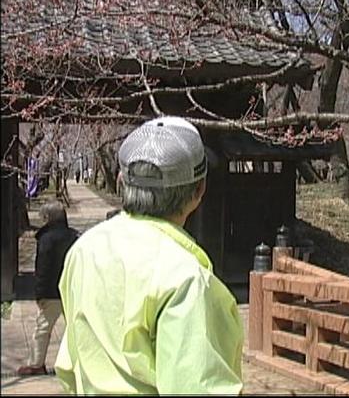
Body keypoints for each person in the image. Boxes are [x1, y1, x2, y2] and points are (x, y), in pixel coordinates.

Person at [54, 116, 244, 394]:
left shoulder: (84, 250)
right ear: (200, 189)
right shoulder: (185, 277)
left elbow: (71, 362)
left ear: (121, 181)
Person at [17, 201, 78, 376]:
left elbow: (42, 268)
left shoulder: (46, 239)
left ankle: (37, 364)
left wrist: (39, 293)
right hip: (71, 289)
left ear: (48, 218)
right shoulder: (74, 236)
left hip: (51, 290)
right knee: (75, 328)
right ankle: (78, 363)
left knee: (43, 328)